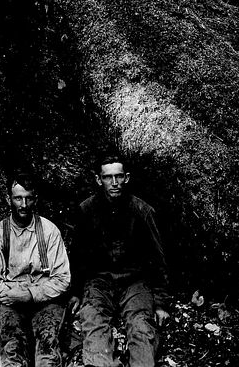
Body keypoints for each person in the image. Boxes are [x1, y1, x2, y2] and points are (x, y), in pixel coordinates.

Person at [69, 154, 169, 367]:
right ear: (99, 180)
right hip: (99, 281)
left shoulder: (142, 210)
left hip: (134, 282)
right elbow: (77, 255)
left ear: (127, 178)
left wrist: (160, 303)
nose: (114, 183)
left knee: (141, 326)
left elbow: (157, 258)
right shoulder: (86, 210)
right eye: (108, 177)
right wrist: (77, 292)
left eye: (119, 176)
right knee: (93, 322)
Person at [0, 171, 72, 367]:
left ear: (35, 199)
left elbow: (63, 279)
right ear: (9, 199)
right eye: (18, 198)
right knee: (13, 350)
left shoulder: (49, 231)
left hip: (45, 300)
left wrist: (31, 295)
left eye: (28, 198)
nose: (23, 205)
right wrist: (15, 295)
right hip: (11, 300)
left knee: (47, 351)